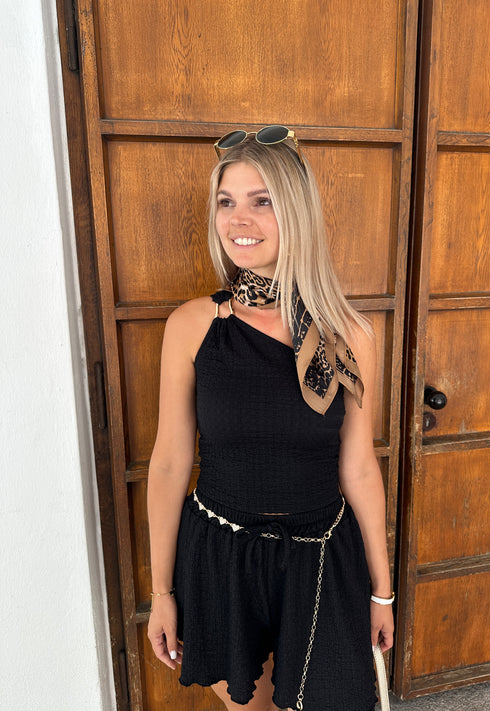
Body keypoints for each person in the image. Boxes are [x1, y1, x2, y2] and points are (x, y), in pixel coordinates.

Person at [147, 125, 394, 711]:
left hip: (322, 557)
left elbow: (359, 467)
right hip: (222, 559)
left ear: (297, 213)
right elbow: (170, 463)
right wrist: (161, 591)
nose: (239, 219)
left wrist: (382, 591)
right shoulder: (193, 326)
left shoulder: (349, 335)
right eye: (226, 202)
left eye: (262, 202)